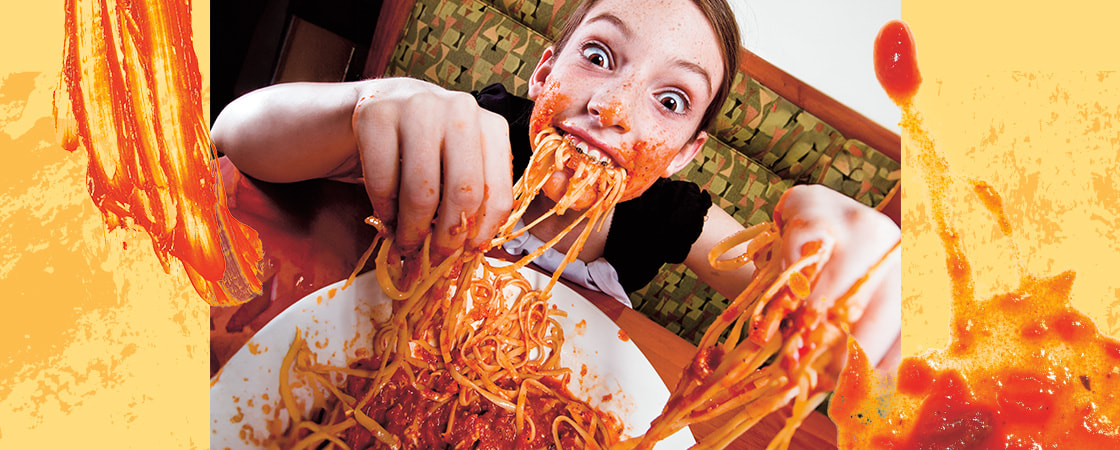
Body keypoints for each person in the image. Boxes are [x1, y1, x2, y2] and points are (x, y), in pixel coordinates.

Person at [211, 0, 901, 370]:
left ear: (685, 155)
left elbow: (794, 300)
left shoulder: (665, 213)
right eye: (599, 57)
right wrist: (368, 105)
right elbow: (237, 135)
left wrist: (843, 269)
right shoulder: (476, 127)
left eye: (670, 101)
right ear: (544, 74)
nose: (615, 108)